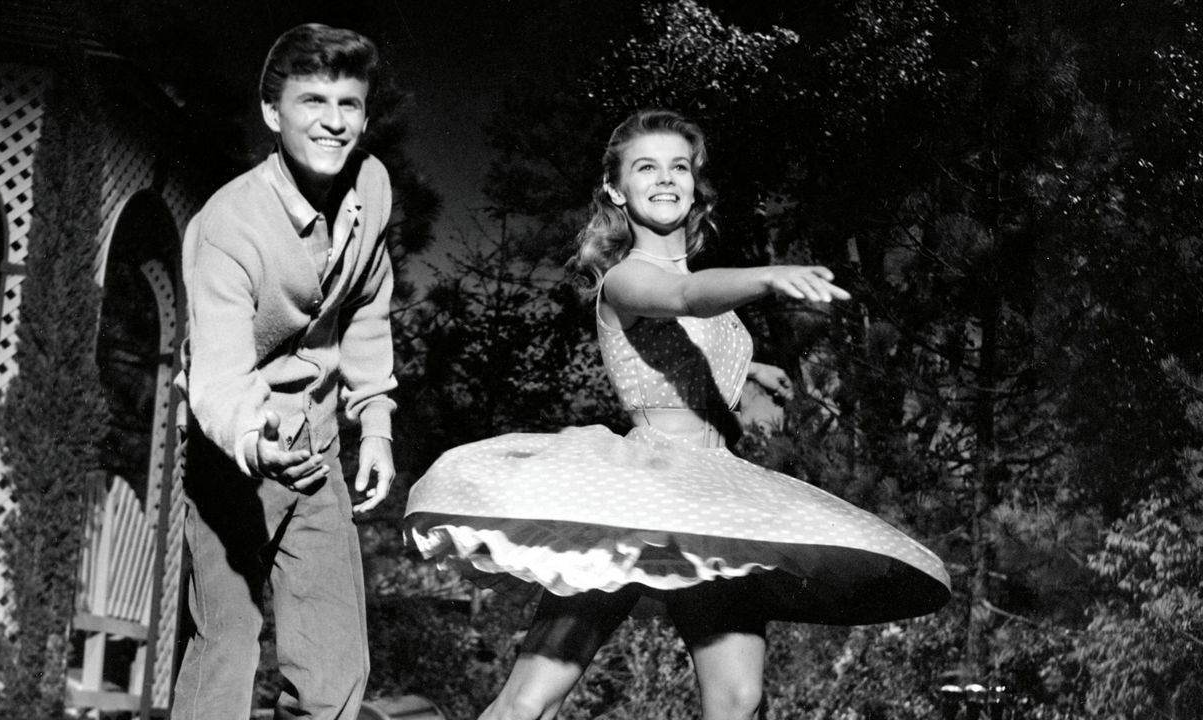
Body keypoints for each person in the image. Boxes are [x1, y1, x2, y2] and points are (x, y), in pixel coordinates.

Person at [405, 109, 951, 720]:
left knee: (738, 698)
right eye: (647, 167)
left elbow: (689, 343)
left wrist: (749, 372)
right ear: (617, 189)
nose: (666, 179)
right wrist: (769, 276)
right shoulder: (627, 278)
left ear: (695, 183)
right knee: (532, 698)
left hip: (711, 499)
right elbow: (683, 298)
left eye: (679, 167)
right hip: (637, 499)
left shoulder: (709, 296)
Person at [171, 23, 398, 720]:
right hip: (232, 453)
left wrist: (377, 425)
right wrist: (255, 438)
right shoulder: (227, 228)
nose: (334, 123)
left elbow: (367, 305)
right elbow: (217, 374)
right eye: (313, 101)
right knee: (227, 647)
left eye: (350, 105)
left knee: (334, 670)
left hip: (319, 445)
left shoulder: (373, 187)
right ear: (273, 113)